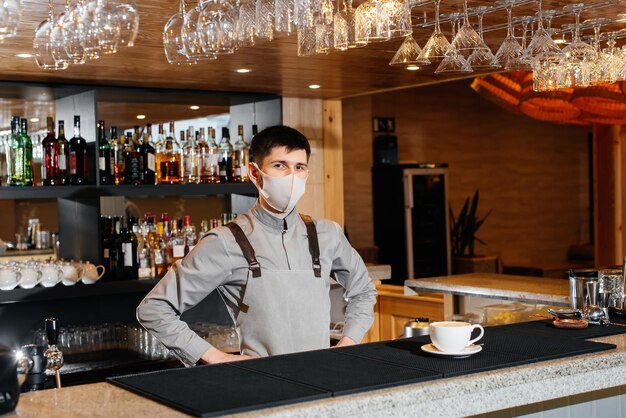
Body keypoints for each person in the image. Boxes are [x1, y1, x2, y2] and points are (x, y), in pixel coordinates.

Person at [136, 125, 377, 366]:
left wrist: (349, 342)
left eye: (299, 167)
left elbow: (363, 291)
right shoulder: (225, 241)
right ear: (254, 172)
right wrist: (213, 356)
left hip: (324, 376)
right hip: (263, 383)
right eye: (280, 165)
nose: (292, 176)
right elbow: (154, 308)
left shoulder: (328, 233)